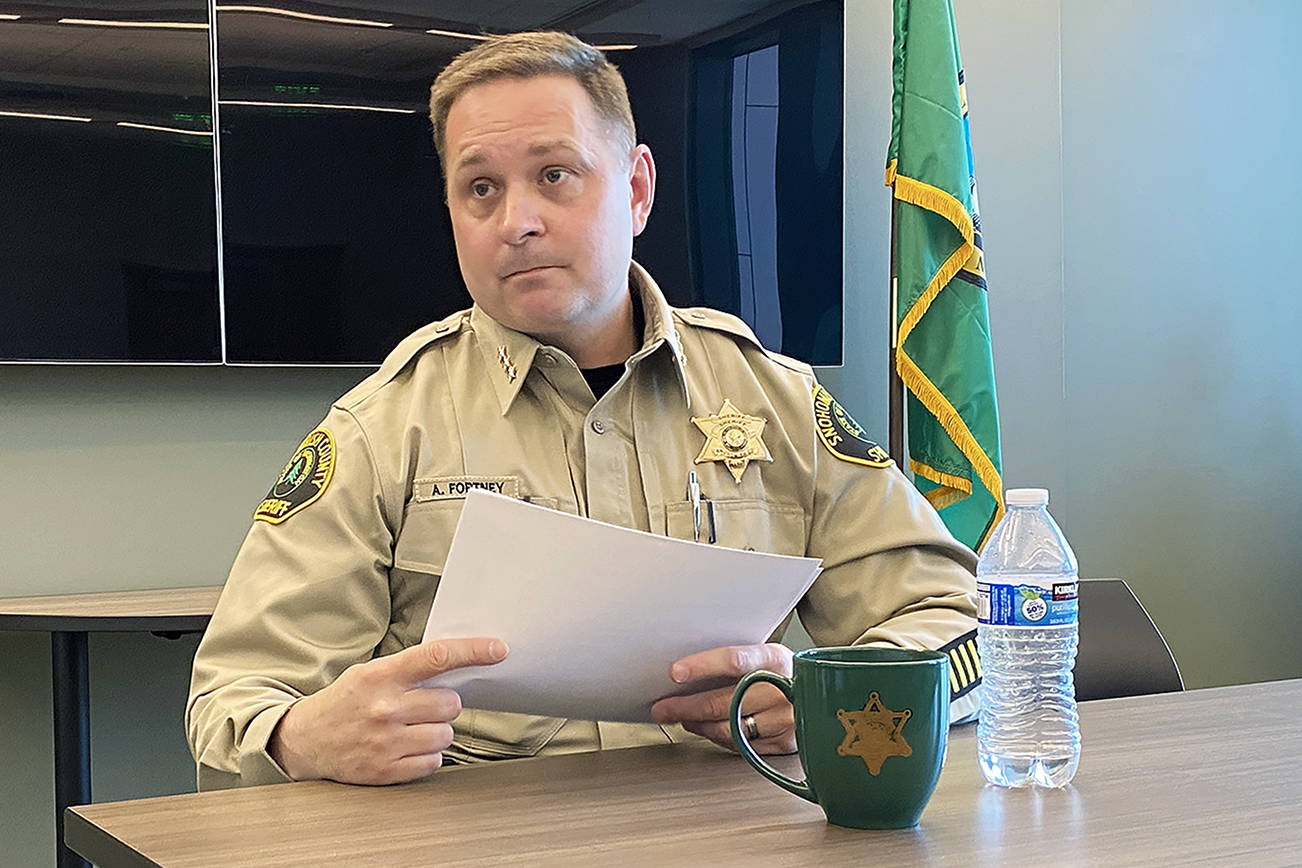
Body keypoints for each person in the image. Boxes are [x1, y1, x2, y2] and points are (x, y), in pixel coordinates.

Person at [186, 30, 982, 790]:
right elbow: (232, 702)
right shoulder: (383, 428)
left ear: (635, 188)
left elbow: (958, 622)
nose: (517, 221)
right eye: (480, 189)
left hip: (734, 831)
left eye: (555, 174)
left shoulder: (776, 400)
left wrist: (827, 694)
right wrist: (302, 737)